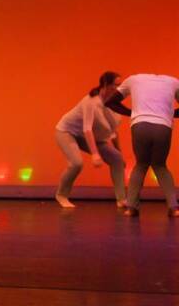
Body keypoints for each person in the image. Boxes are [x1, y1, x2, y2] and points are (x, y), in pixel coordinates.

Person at [106, 74, 179, 217]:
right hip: (163, 127)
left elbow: (110, 102)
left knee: (140, 165)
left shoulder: (133, 79)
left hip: (140, 126)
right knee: (160, 166)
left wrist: (132, 113)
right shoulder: (174, 82)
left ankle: (131, 208)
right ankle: (174, 207)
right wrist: (169, 113)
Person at [53, 71, 126, 208]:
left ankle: (121, 199)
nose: (119, 88)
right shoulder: (91, 102)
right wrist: (95, 154)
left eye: (120, 85)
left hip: (91, 136)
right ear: (105, 84)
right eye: (115, 85)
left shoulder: (113, 104)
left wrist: (118, 150)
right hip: (67, 132)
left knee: (117, 160)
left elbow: (113, 130)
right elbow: (87, 129)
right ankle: (61, 195)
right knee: (76, 163)